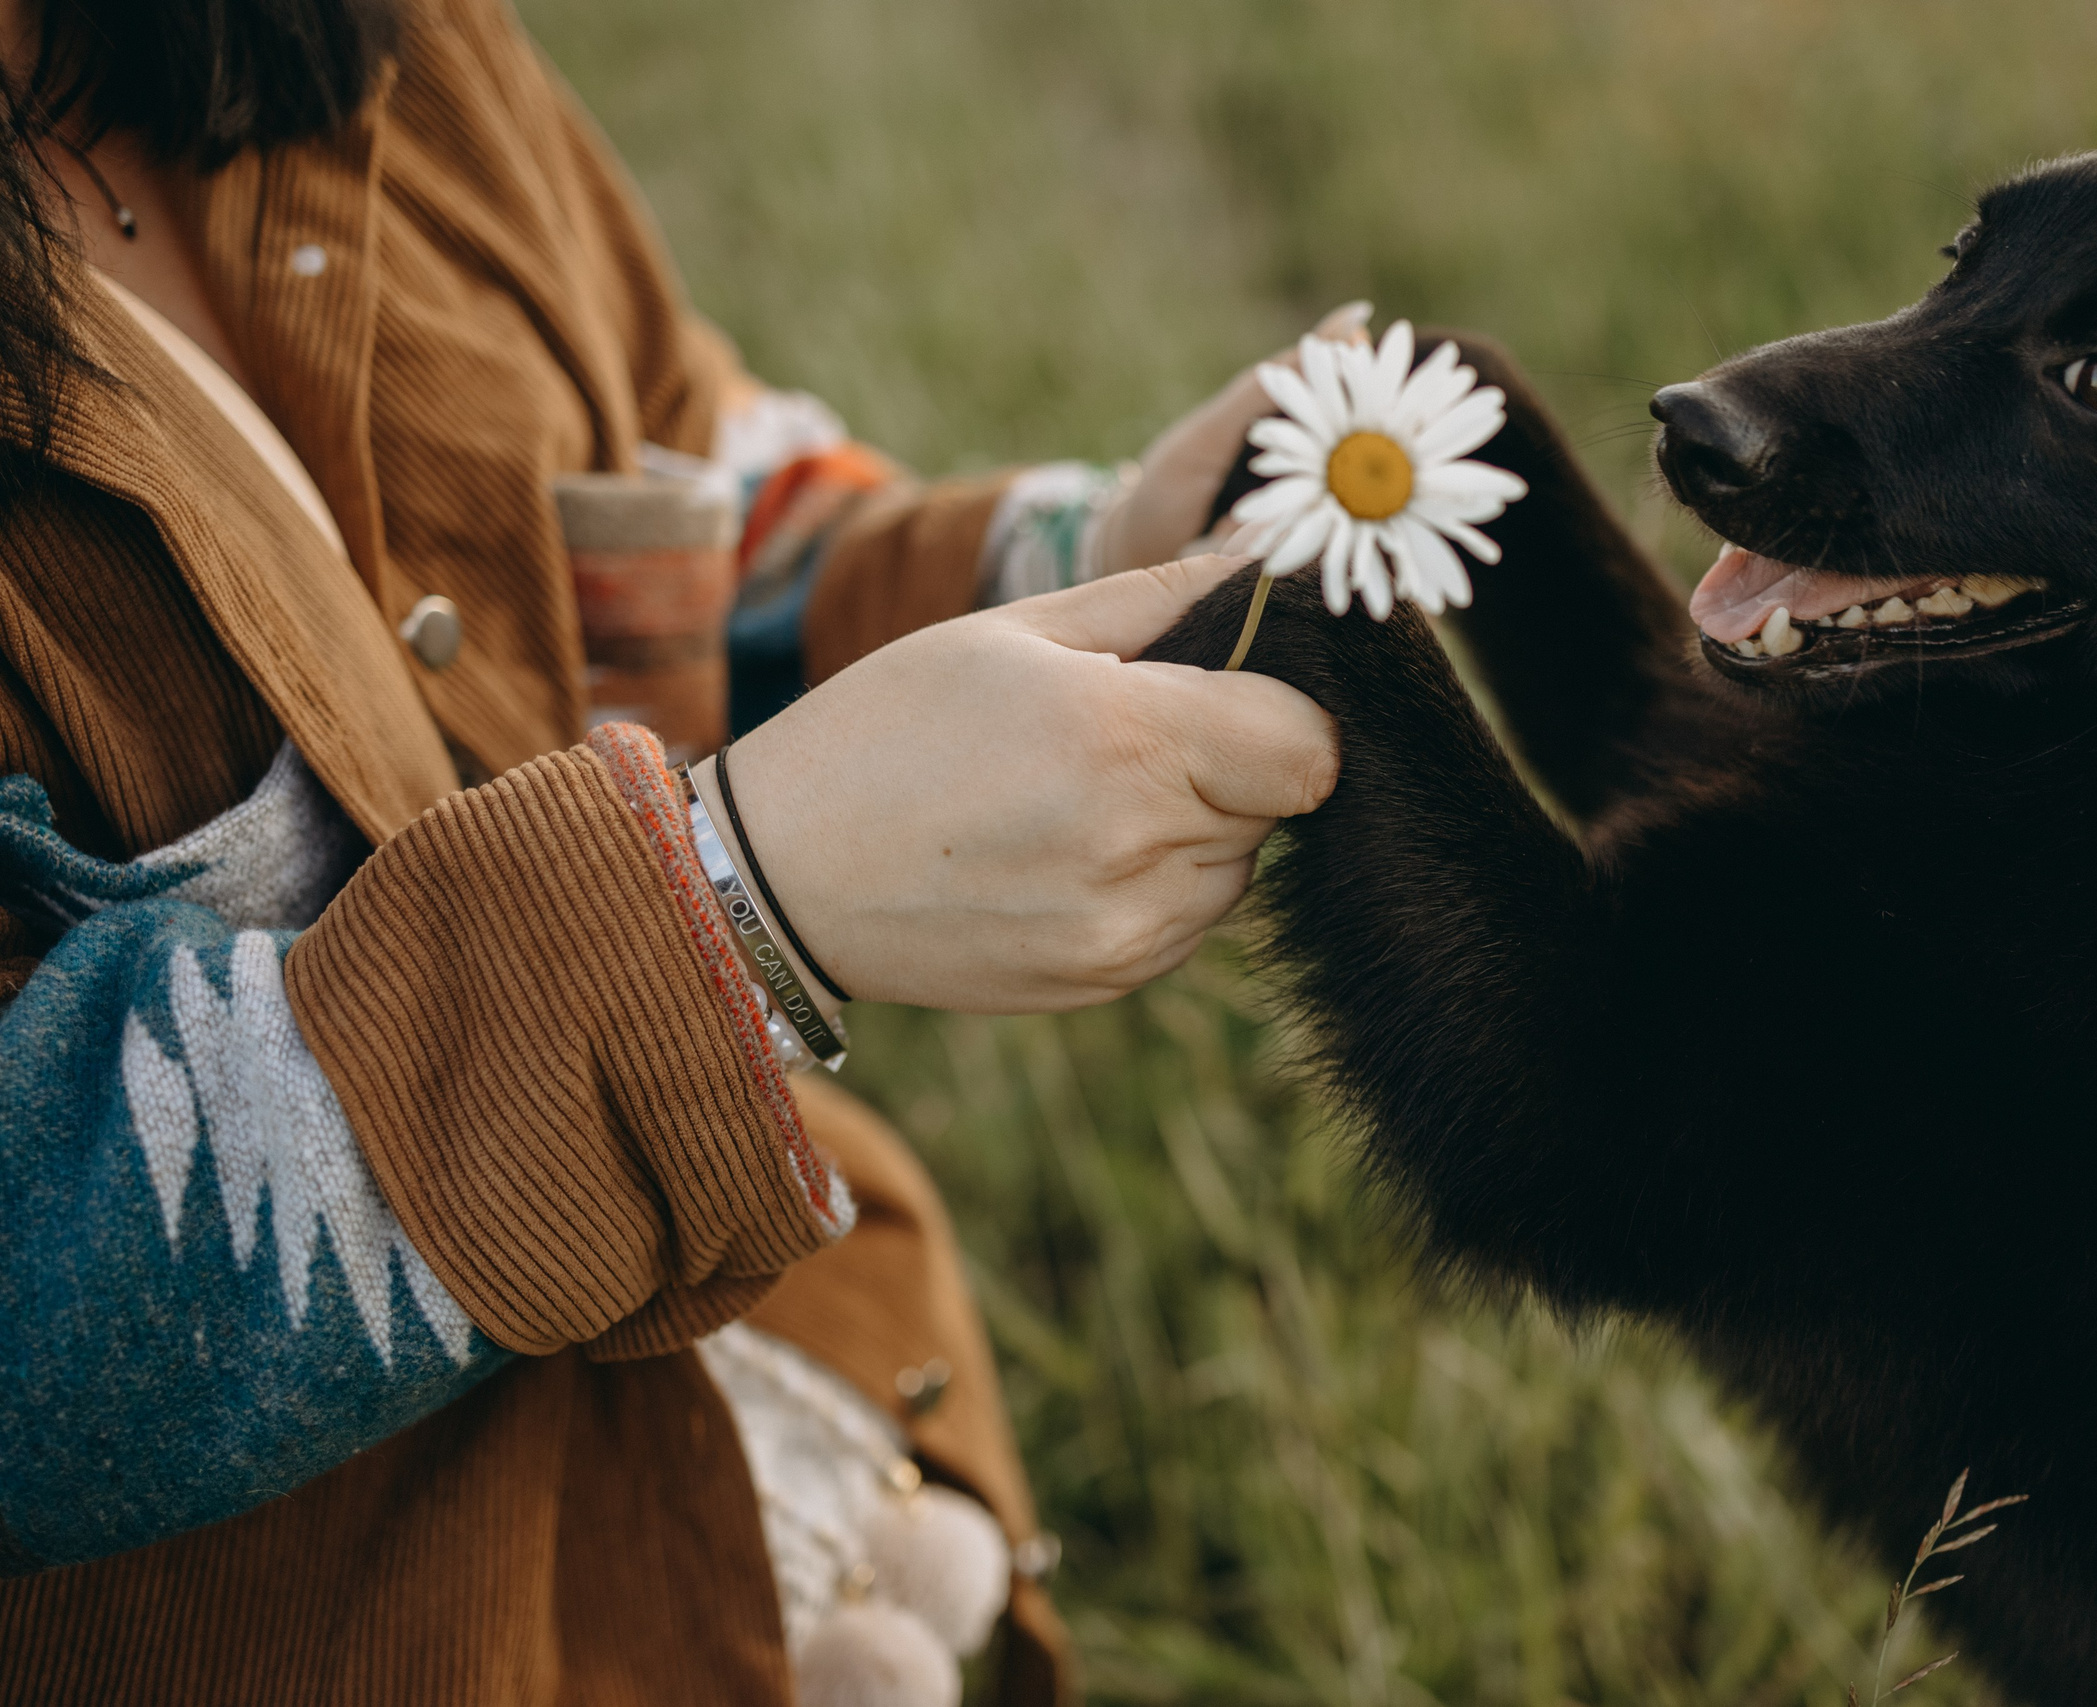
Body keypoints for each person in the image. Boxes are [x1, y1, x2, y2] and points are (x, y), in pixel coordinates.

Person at [0, 0, 1341, 1699]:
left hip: (739, 1436)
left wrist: (1070, 551)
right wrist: (729, 899)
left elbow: (651, 449)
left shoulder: (392, 42)